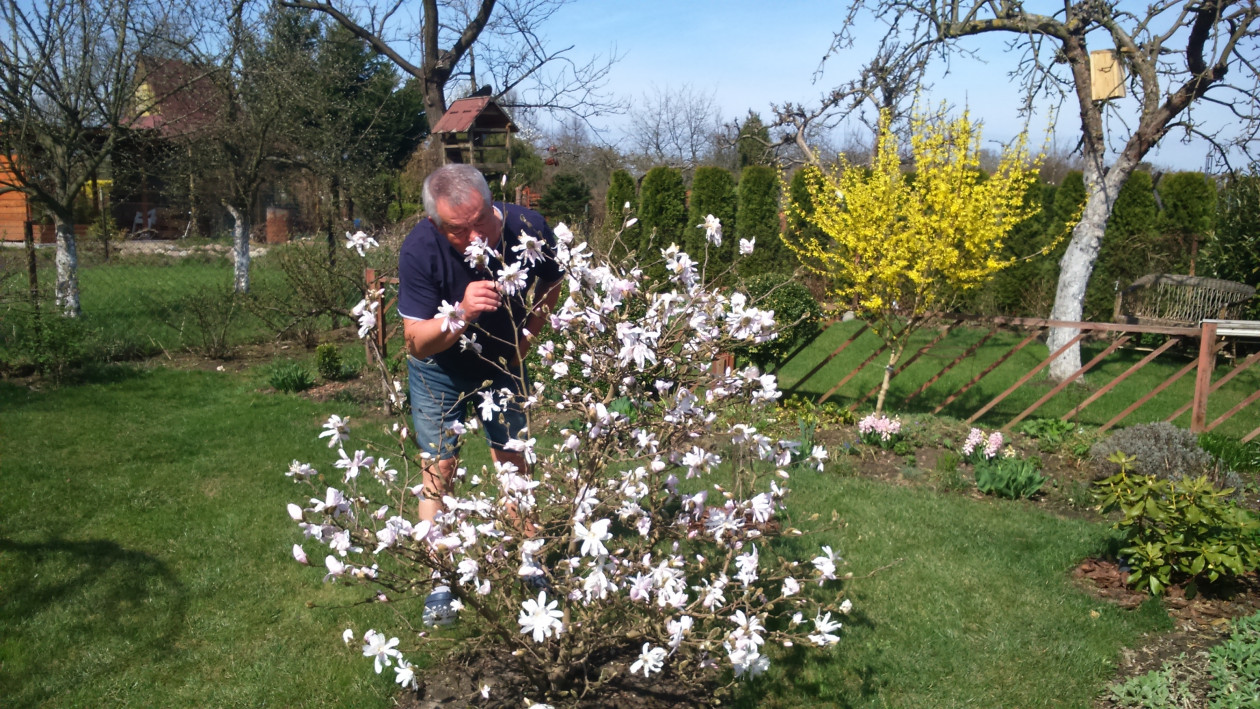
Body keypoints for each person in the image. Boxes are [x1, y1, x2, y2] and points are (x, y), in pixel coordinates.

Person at [397, 164, 563, 626]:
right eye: (458, 231)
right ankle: (439, 578)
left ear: (494, 206)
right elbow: (414, 340)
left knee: (513, 456)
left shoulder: (529, 226)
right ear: (435, 223)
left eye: (481, 224)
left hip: (502, 362)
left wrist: (529, 333)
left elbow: (551, 280)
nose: (475, 240)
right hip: (440, 368)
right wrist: (462, 313)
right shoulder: (419, 250)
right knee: (440, 466)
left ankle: (530, 563)